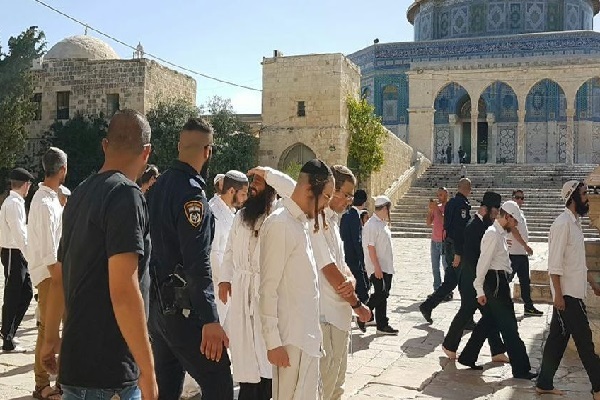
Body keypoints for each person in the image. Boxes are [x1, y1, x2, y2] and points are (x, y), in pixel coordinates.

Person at [41, 109, 157, 400]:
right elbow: (124, 290)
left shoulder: (78, 195)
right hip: (112, 372)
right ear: (146, 153)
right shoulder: (127, 195)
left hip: (76, 365)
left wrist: (50, 337)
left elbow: (59, 276)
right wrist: (148, 369)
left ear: (105, 146)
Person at [147, 117, 233, 399]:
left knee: (168, 388)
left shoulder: (158, 187)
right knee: (219, 383)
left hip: (159, 308)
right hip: (185, 311)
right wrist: (209, 319)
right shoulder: (191, 194)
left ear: (179, 146)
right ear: (208, 151)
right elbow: (197, 261)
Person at [259, 159, 334, 400]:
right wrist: (273, 343)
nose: (326, 205)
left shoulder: (300, 223)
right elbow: (267, 288)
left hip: (308, 339)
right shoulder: (280, 224)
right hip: (290, 343)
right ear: (309, 189)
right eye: (326, 197)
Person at [218, 166, 293, 400]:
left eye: (260, 181)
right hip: (242, 291)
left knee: (266, 358)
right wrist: (224, 279)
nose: (253, 185)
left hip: (266, 293)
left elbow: (293, 191)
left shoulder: (280, 214)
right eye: (253, 180)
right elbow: (229, 249)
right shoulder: (241, 215)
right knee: (245, 359)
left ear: (271, 187)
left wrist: (269, 173)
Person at [458, 201, 537, 380]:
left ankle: (467, 356)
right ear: (507, 216)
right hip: (495, 284)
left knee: (489, 321)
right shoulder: (492, 234)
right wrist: (479, 289)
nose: (516, 225)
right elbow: (483, 262)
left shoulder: (500, 234)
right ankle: (521, 369)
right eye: (514, 221)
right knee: (510, 327)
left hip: (499, 282)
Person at [536, 181, 600, 398]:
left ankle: (544, 382)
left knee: (556, 340)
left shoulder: (575, 223)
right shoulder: (562, 224)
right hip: (567, 296)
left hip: (574, 293)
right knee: (585, 342)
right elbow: (554, 264)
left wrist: (591, 282)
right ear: (572, 197)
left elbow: (578, 262)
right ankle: (598, 387)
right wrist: (558, 296)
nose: (587, 197)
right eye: (583, 194)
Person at [312, 165, 371, 399]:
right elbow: (328, 268)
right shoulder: (315, 221)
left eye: (351, 196)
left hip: (340, 315)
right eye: (345, 194)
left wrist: (352, 279)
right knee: (325, 387)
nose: (349, 200)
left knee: (337, 386)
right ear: (331, 189)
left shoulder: (333, 222)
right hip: (325, 316)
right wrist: (357, 305)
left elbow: (341, 263)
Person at [441, 192, 508, 364]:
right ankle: (449, 344)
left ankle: (497, 351)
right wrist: (479, 282)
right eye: (494, 212)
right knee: (467, 311)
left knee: (488, 315)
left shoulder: (485, 226)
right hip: (471, 278)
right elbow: (473, 257)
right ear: (485, 210)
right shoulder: (474, 227)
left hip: (478, 278)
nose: (496, 216)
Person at [27, 147, 67, 400]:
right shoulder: (43, 203)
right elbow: (49, 249)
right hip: (50, 274)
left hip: (58, 273)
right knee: (46, 329)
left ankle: (63, 380)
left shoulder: (51, 198)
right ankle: (42, 384)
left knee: (65, 327)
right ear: (62, 170)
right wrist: (58, 277)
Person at [420, 178, 472, 324]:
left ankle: (427, 305)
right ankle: (467, 318)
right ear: (468, 189)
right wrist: (459, 253)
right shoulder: (461, 205)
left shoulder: (451, 204)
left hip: (448, 244)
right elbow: (459, 230)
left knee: (450, 281)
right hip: (456, 248)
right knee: (464, 282)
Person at [0, 167, 34, 353]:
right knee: (13, 293)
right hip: (13, 251)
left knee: (26, 292)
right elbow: (19, 233)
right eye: (29, 184)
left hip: (18, 252)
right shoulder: (13, 203)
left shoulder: (16, 202)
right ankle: (7, 335)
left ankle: (9, 332)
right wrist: (29, 255)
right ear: (25, 185)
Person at [210, 170, 248, 323]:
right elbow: (213, 254)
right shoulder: (213, 213)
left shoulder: (231, 213)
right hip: (218, 287)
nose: (245, 198)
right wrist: (228, 281)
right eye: (243, 194)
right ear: (232, 191)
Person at [361, 195, 398, 335]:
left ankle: (382, 324)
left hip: (386, 266)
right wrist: (376, 267)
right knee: (381, 293)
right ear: (384, 208)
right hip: (378, 267)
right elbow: (371, 248)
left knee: (383, 295)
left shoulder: (381, 224)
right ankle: (363, 314)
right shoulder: (371, 225)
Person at [508, 189, 543, 316]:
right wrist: (525, 245)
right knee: (507, 279)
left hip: (521, 254)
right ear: (512, 198)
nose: (519, 200)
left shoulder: (520, 213)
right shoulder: (511, 212)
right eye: (517, 197)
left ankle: (528, 306)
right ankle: (498, 304)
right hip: (513, 254)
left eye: (522, 198)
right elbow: (513, 230)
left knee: (525, 282)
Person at [340, 189, 370, 309]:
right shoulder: (354, 216)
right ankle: (364, 314)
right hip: (354, 258)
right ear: (363, 203)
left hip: (346, 255)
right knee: (363, 288)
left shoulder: (346, 214)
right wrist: (362, 259)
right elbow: (356, 240)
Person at [426, 187, 448, 292]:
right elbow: (428, 222)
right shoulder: (436, 207)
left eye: (441, 195)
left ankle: (447, 289)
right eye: (438, 195)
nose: (439, 197)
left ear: (446, 195)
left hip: (444, 241)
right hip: (434, 240)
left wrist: (436, 209)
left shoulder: (449, 207)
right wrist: (431, 210)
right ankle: (437, 288)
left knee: (446, 266)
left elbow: (445, 221)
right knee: (435, 267)